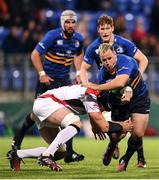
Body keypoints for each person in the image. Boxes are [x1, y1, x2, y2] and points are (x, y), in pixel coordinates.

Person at [7, 10, 85, 164]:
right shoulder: (52, 35)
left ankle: (69, 152)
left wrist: (78, 72)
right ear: (62, 23)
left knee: (67, 115)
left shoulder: (78, 39)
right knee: (34, 114)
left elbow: (79, 54)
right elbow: (34, 54)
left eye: (73, 22)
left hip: (63, 81)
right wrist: (41, 73)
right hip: (47, 81)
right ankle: (16, 142)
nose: (70, 25)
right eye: (67, 22)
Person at [8, 84, 133, 171]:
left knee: (60, 152)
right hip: (47, 103)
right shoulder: (91, 94)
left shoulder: (96, 94)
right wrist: (122, 126)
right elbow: (104, 126)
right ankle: (46, 156)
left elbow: (99, 122)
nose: (102, 108)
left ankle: (18, 154)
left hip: (44, 106)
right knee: (76, 122)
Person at [80, 15, 148, 167]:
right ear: (98, 30)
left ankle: (140, 158)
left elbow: (143, 60)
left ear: (112, 28)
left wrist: (135, 80)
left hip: (127, 85)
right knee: (119, 129)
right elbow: (83, 69)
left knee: (137, 126)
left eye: (107, 28)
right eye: (102, 28)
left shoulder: (123, 44)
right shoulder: (93, 47)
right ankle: (114, 144)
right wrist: (85, 84)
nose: (105, 31)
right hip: (109, 87)